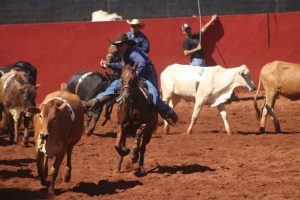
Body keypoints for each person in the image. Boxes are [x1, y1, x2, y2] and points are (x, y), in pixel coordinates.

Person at [82, 34, 177, 125]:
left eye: (120, 45)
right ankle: (95, 101)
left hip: (148, 75)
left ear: (126, 44)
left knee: (154, 96)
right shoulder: (124, 53)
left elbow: (142, 63)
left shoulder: (133, 52)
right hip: (133, 74)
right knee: (114, 86)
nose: (118, 47)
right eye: (117, 45)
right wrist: (108, 65)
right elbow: (122, 66)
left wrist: (133, 76)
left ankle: (168, 111)